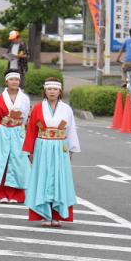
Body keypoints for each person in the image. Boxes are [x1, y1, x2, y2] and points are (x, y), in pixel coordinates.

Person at [23, 77, 80, 227]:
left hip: (60, 147)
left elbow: (71, 129)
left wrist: (72, 148)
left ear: (60, 91)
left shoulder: (66, 109)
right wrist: (30, 150)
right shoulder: (37, 108)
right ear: (45, 91)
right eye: (49, 89)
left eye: (55, 89)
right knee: (44, 178)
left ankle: (57, 215)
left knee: (59, 180)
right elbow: (31, 130)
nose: (52, 92)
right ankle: (44, 213)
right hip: (42, 146)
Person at [0, 70, 31, 203]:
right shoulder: (0, 98)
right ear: (6, 82)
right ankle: (2, 193)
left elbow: (25, 118)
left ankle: (15, 194)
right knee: (2, 161)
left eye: (17, 79)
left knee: (17, 163)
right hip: (2, 132)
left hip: (18, 132)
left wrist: (21, 131)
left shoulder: (24, 99)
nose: (14, 82)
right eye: (12, 79)